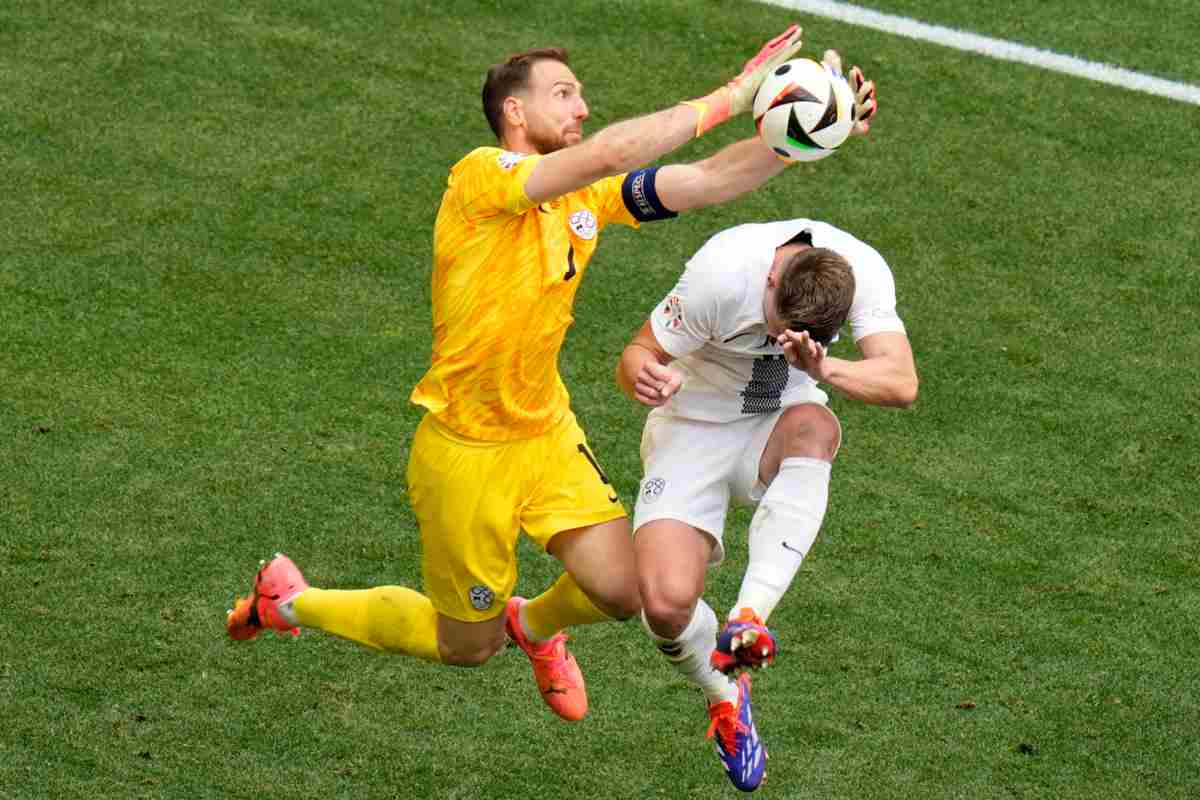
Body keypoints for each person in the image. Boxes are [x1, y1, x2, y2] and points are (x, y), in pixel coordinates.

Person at [225, 25, 878, 727]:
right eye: (564, 94)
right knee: (464, 648)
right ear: (514, 110)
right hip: (466, 453)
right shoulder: (482, 178)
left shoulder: (584, 198)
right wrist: (729, 98)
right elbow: (605, 151)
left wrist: (810, 130)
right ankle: (287, 601)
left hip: (544, 433)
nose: (582, 109)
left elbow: (712, 179)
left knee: (625, 591)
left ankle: (535, 627)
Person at [616, 216, 916, 791]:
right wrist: (645, 378)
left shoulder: (863, 268)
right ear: (773, 280)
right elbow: (635, 353)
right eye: (778, 328)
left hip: (776, 420)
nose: (781, 342)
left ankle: (747, 619)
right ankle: (726, 697)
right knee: (664, 604)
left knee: (817, 427)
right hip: (691, 428)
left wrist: (822, 366)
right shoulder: (723, 270)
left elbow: (901, 384)